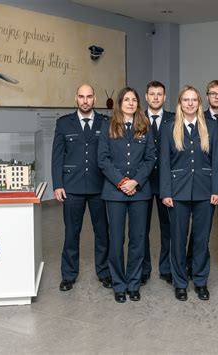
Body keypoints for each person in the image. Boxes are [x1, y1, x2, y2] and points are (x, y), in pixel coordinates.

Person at [160, 85, 218, 301]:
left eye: (193, 100)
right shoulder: (169, 127)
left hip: (205, 192)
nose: (190, 103)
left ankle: (200, 280)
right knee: (178, 239)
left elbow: (216, 161)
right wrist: (165, 192)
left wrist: (217, 189)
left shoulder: (211, 127)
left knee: (201, 239)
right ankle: (180, 282)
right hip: (177, 192)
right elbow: (165, 162)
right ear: (179, 103)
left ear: (199, 103)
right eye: (185, 100)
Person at [51, 84, 111, 292]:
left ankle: (104, 272)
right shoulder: (64, 123)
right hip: (72, 187)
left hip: (100, 187)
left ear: (95, 99)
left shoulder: (106, 123)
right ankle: (68, 275)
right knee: (71, 233)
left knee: (102, 233)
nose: (85, 101)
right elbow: (57, 156)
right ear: (75, 99)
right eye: (81, 97)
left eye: (89, 97)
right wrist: (57, 184)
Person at [98, 87, 155, 303]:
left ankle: (133, 283)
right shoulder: (108, 126)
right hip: (115, 192)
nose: (130, 103)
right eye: (126, 99)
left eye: (134, 100)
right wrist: (122, 182)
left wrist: (136, 181)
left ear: (138, 104)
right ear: (120, 103)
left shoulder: (144, 127)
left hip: (140, 192)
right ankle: (119, 284)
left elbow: (150, 158)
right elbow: (102, 159)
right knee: (117, 239)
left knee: (138, 239)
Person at [141, 81, 175, 286]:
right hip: (143, 182)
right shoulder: (137, 118)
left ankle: (167, 268)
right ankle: (144, 268)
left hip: (167, 182)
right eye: (152, 94)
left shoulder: (173, 119)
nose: (155, 98)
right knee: (141, 229)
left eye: (159, 94)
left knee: (168, 227)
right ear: (146, 97)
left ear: (164, 97)